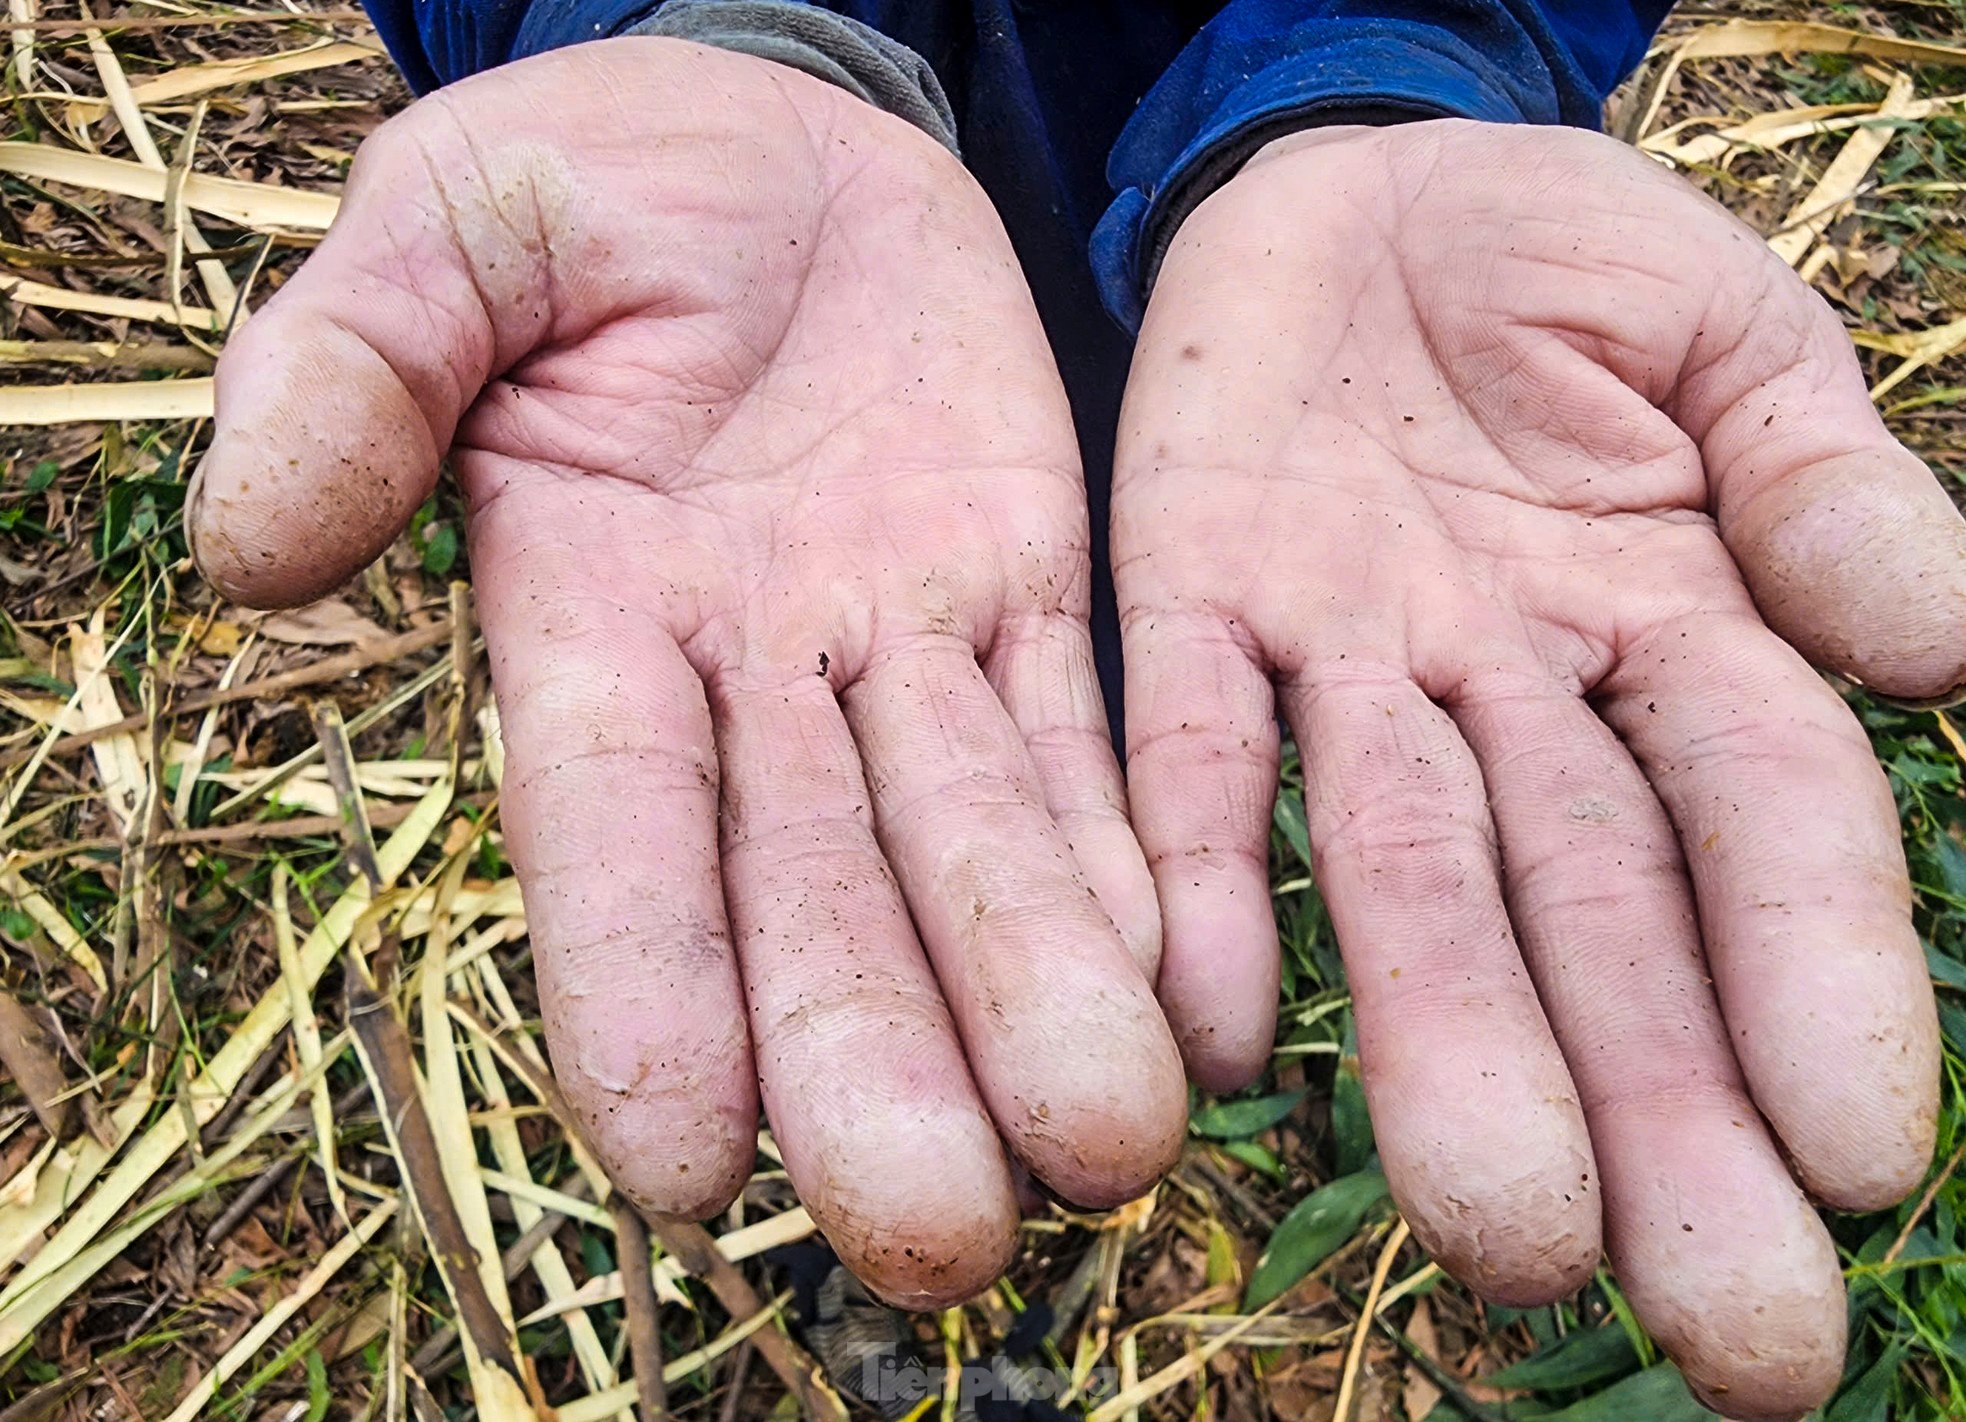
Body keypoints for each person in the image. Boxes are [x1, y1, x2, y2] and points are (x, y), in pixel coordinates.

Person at [185, 2, 1966, 1416]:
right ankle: (922, 1196)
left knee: (1111, 678)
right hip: (741, 313)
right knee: (838, 765)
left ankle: (1060, 1078)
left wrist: (1397, 56)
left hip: (1284, 308)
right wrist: (676, 29)